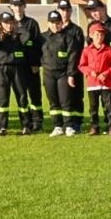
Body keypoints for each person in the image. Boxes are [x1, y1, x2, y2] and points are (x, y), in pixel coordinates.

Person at [84, 0, 111, 132]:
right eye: (91, 11)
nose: (94, 13)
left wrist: (109, 52)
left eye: (96, 10)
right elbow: (90, 46)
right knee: (102, 98)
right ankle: (107, 123)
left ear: (103, 8)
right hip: (98, 70)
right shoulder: (91, 26)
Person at [7, 0, 45, 134]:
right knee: (21, 95)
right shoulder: (7, 23)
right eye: (15, 5)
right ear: (11, 7)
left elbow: (37, 45)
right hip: (17, 66)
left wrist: (36, 63)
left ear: (25, 6)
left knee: (35, 94)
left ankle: (37, 122)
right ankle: (26, 123)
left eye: (20, 5)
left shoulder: (31, 23)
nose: (18, 8)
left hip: (31, 65)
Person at [78, 20, 111, 136]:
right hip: (92, 84)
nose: (100, 37)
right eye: (97, 34)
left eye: (102, 34)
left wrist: (106, 73)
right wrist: (90, 72)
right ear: (91, 35)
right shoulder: (86, 51)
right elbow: (82, 65)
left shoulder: (109, 50)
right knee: (93, 107)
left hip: (107, 83)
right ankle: (94, 127)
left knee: (109, 106)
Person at [40, 9, 79, 137]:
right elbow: (36, 54)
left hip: (63, 74)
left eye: (57, 23)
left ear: (62, 23)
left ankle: (68, 126)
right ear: (48, 23)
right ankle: (57, 126)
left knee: (65, 100)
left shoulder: (68, 37)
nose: (55, 25)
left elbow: (73, 57)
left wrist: (71, 75)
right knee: (53, 101)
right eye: (52, 23)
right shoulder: (42, 38)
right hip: (48, 73)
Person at [0, 11, 33, 135]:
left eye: (11, 22)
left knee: (22, 96)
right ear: (1, 24)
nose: (9, 26)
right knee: (3, 98)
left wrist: (19, 27)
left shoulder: (19, 34)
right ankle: (2, 127)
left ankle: (26, 125)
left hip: (18, 68)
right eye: (6, 23)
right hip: (2, 69)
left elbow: (27, 38)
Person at [53, 0, 86, 134]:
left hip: (75, 68)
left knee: (76, 96)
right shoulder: (55, 29)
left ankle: (77, 122)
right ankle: (61, 123)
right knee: (60, 98)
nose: (64, 12)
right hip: (59, 70)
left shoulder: (76, 30)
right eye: (62, 9)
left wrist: (72, 70)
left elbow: (76, 52)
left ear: (71, 11)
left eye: (67, 10)